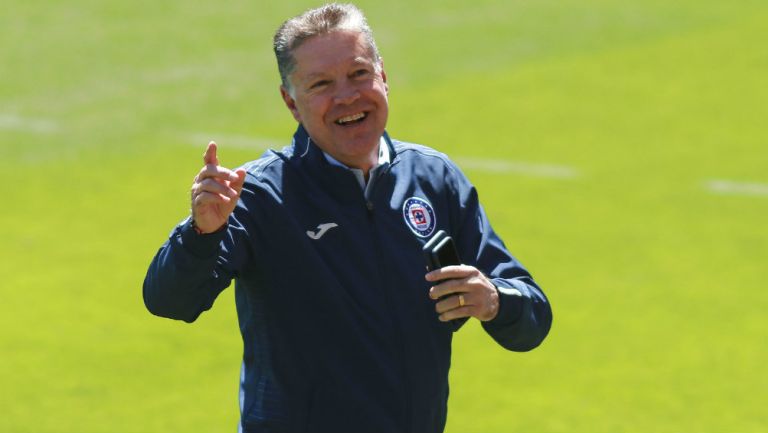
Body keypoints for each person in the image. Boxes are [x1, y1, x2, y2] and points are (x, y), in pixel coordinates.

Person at [143, 3, 552, 433]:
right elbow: (170, 301)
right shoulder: (259, 195)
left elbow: (531, 318)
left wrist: (494, 299)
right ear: (291, 102)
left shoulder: (434, 178)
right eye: (321, 83)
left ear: (383, 76)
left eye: (359, 74)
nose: (347, 96)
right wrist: (201, 234)